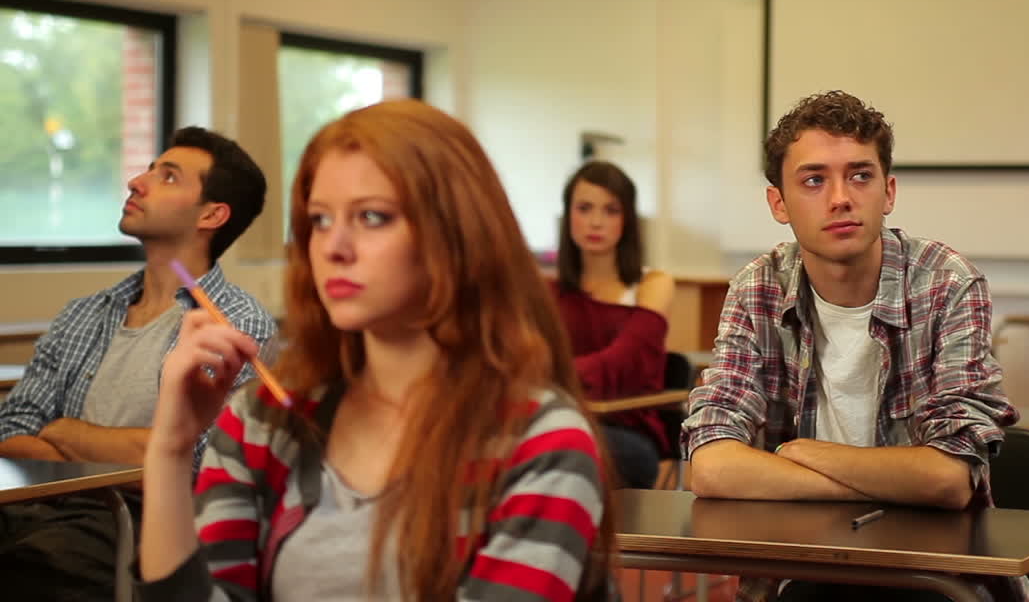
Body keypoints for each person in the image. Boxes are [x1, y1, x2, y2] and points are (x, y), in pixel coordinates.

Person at [138, 100, 613, 601]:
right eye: (320, 220)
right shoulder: (261, 423)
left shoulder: (538, 439)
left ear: (455, 233)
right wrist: (169, 450)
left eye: (372, 216)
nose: (334, 247)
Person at [681, 91, 1029, 602]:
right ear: (779, 202)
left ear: (888, 192)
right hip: (798, 566)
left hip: (932, 572)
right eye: (814, 180)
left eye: (860, 176)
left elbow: (949, 482)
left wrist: (803, 455)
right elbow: (710, 465)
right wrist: (878, 481)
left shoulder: (946, 283)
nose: (840, 197)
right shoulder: (757, 288)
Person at [0, 126, 275, 601]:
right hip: (33, 506)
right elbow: (12, 430)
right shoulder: (84, 313)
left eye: (167, 177)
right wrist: (122, 456)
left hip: (134, 524)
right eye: (149, 169)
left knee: (21, 571)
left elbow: (198, 465)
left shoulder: (237, 323)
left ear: (212, 213)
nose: (136, 182)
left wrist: (68, 432)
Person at [553, 161, 674, 489]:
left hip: (628, 432)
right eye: (584, 208)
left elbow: (624, 361)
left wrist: (554, 374)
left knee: (557, 445)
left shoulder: (653, 284)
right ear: (568, 216)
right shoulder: (549, 292)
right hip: (559, 420)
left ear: (627, 220)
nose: (595, 221)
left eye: (610, 210)